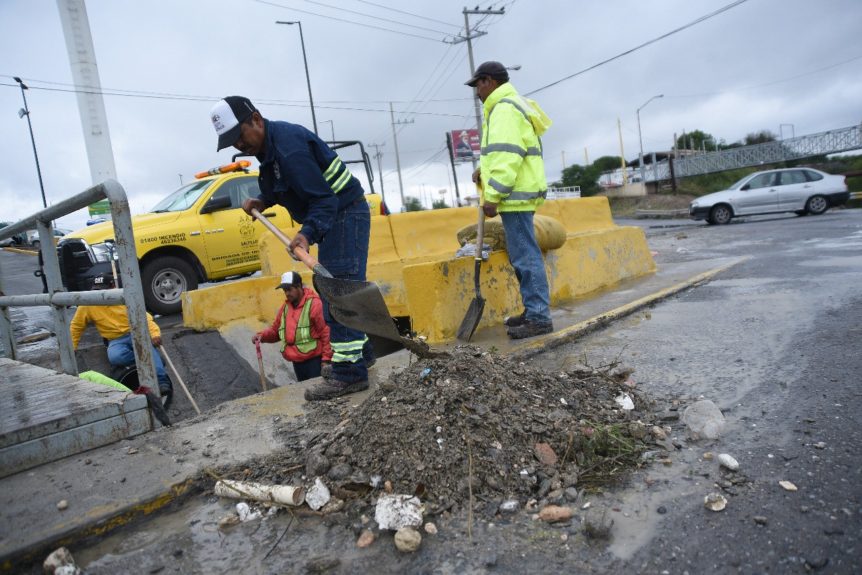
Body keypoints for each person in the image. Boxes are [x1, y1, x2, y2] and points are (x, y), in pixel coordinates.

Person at [210, 95, 371, 400]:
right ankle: (362, 355)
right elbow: (283, 184)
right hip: (334, 215)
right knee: (334, 288)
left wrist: (306, 234)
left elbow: (324, 199)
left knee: (340, 291)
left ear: (256, 119)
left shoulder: (289, 147)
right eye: (232, 141)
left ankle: (350, 374)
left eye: (240, 135)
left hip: (345, 214)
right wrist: (263, 199)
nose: (239, 145)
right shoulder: (269, 149)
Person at [466, 61, 554, 339]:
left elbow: (507, 156)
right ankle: (533, 311)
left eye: (477, 86)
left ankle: (539, 317)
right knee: (523, 256)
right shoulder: (510, 106)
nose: (477, 93)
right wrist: (484, 171)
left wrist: (492, 196)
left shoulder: (503, 109)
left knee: (526, 257)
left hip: (513, 196)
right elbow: (503, 155)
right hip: (517, 195)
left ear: (487, 82)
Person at [69, 276, 174, 405]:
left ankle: (162, 381)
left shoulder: (124, 297)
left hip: (135, 333)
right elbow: (76, 327)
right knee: (116, 356)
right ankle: (152, 359)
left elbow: (144, 317)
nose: (100, 294)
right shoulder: (88, 304)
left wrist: (154, 334)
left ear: (112, 287)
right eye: (97, 290)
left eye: (104, 290)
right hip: (115, 339)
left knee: (145, 347)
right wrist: (70, 348)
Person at [253, 271, 332, 382]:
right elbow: (276, 331)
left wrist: (326, 360)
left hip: (315, 361)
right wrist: (262, 336)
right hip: (297, 362)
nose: (287, 293)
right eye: (285, 290)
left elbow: (326, 333)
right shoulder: (285, 308)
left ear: (299, 286)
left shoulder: (315, 304)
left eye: (289, 289)